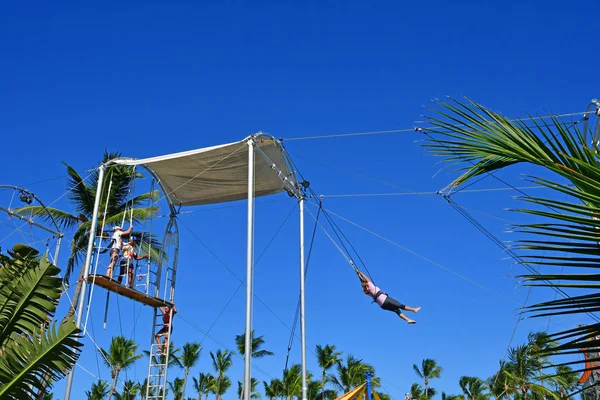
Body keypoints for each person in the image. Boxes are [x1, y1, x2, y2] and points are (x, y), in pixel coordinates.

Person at [356, 270, 420, 324]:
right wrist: (360, 272)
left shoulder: (367, 292)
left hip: (382, 305)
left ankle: (408, 320)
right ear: (366, 284)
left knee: (396, 310)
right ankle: (414, 310)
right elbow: (366, 278)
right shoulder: (370, 285)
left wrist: (358, 275)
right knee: (400, 305)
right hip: (385, 299)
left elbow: (362, 282)